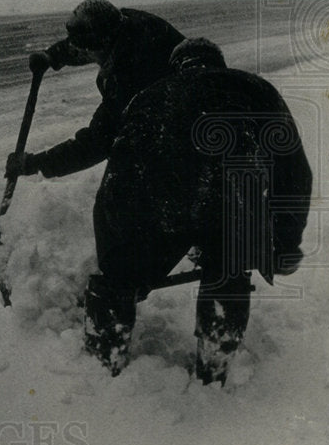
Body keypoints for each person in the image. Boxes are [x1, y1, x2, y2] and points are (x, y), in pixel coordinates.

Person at [87, 38, 312, 383]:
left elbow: (116, 183)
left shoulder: (149, 96)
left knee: (118, 279)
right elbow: (293, 171)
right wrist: (285, 240)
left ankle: (102, 366)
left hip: (161, 204)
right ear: (218, 63)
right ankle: (214, 365)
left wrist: (119, 264)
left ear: (177, 68)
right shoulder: (254, 87)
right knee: (228, 268)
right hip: (231, 203)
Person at [5, 0, 187, 180]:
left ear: (103, 44)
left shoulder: (131, 73)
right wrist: (51, 56)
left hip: (186, 130)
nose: (83, 54)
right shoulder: (120, 24)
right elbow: (83, 44)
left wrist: (35, 163)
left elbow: (98, 142)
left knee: (130, 175)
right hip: (185, 104)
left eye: (88, 51)